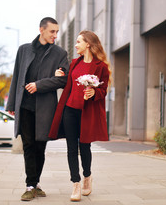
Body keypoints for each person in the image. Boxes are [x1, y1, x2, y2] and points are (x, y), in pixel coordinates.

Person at [5, 17, 69, 201]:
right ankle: (31, 184)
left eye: (57, 32)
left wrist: (39, 85)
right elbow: (16, 77)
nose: (55, 35)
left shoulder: (60, 54)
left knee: (40, 146)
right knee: (28, 146)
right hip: (24, 106)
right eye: (52, 31)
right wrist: (11, 104)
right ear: (41, 30)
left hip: (45, 109)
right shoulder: (24, 50)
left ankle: (35, 182)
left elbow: (63, 80)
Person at [49, 30, 111, 202]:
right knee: (70, 148)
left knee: (84, 147)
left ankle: (87, 177)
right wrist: (59, 74)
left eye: (78, 42)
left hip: (86, 112)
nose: (76, 45)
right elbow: (66, 79)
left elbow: (103, 90)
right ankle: (75, 183)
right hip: (70, 109)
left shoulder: (101, 67)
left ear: (88, 44)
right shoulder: (75, 63)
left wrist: (94, 92)